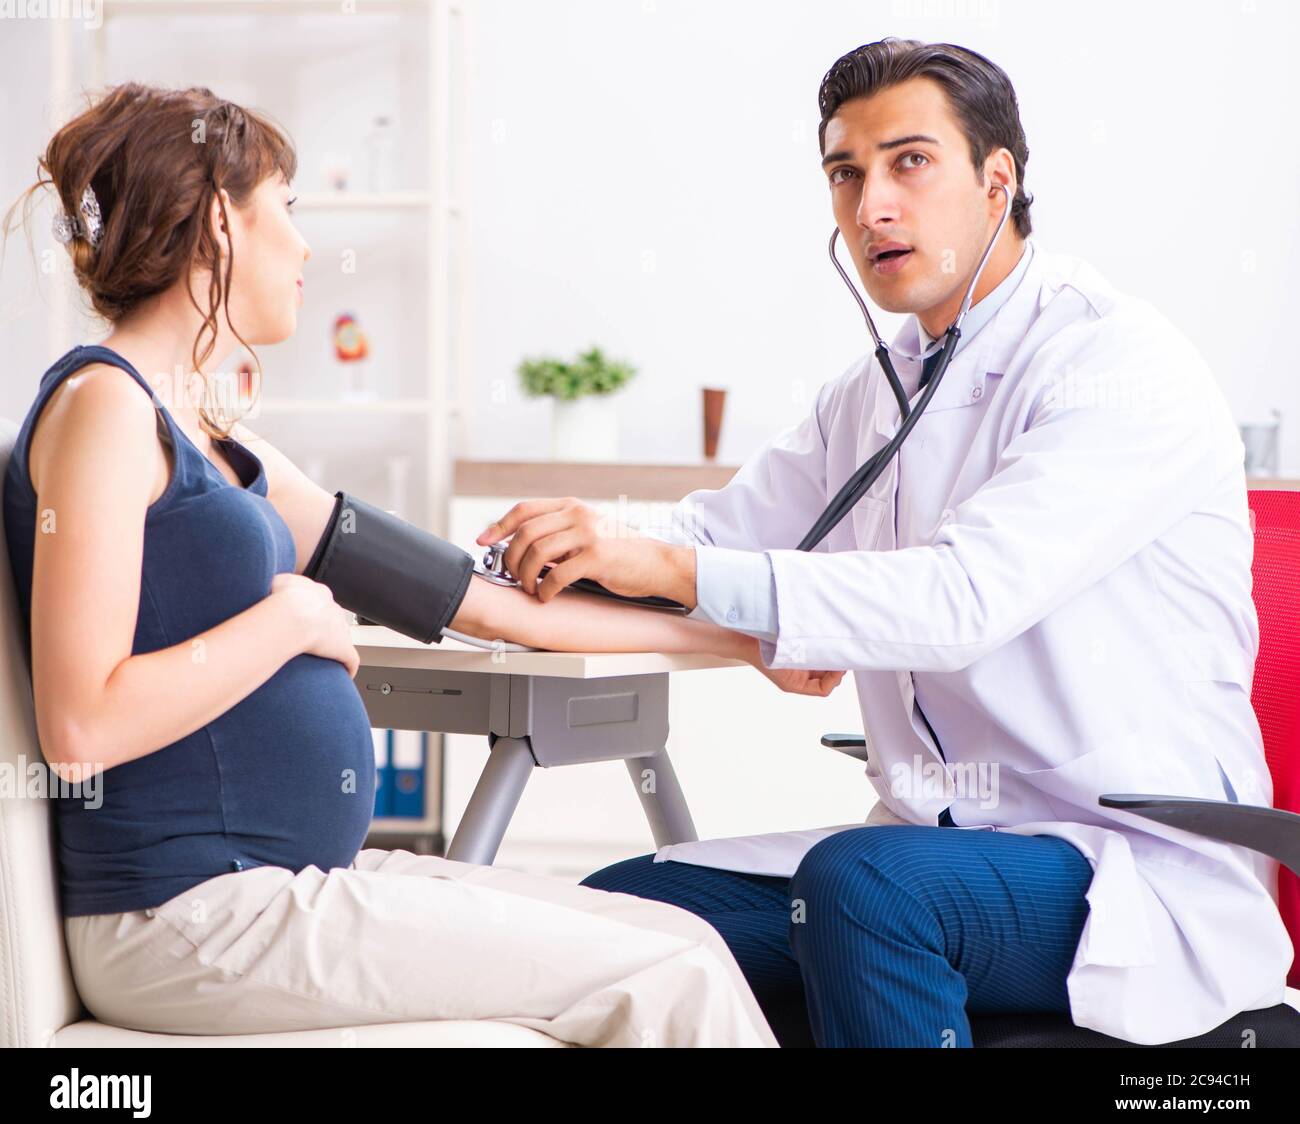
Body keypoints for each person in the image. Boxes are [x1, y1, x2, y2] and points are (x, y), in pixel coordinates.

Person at [481, 38, 1295, 1047]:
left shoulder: (1117, 365)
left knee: (865, 888)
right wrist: (578, 541)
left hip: (1126, 859)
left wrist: (673, 567)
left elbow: (962, 600)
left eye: (909, 162)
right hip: (934, 844)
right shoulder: (871, 394)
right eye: (845, 173)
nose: (871, 206)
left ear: (999, 180)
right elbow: (720, 533)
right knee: (622, 916)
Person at [0, 82, 844, 1047]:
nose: (306, 244)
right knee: (670, 978)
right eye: (288, 206)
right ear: (220, 223)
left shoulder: (223, 443)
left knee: (682, 939)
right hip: (195, 917)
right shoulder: (107, 411)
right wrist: (291, 622)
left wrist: (743, 641)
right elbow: (79, 727)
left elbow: (490, 607)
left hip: (291, 887)